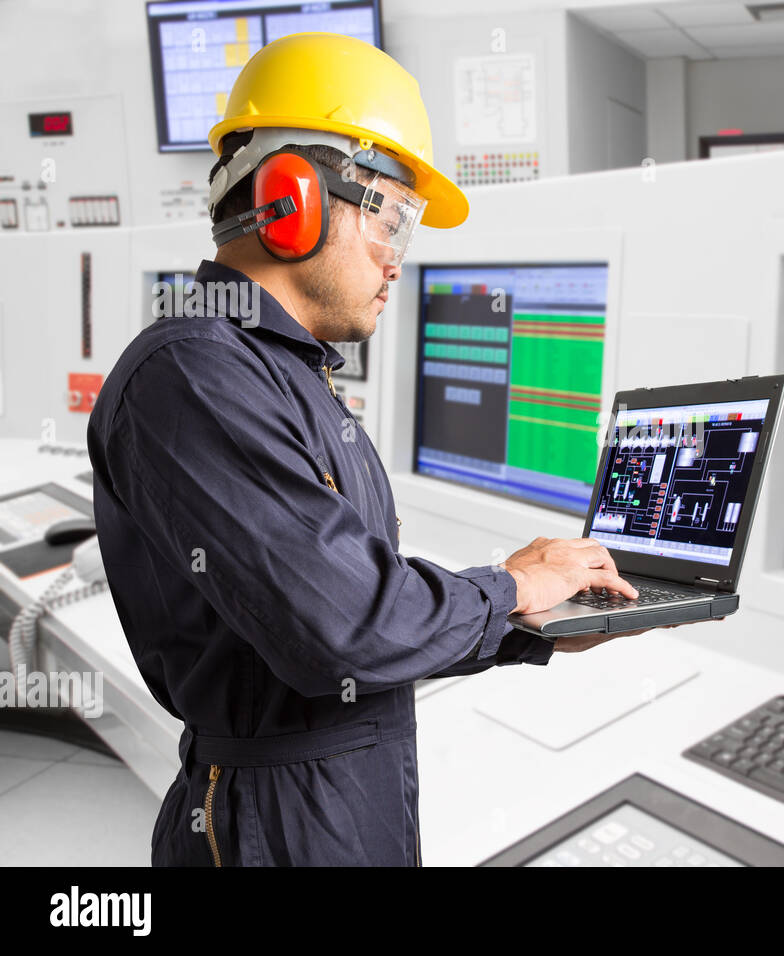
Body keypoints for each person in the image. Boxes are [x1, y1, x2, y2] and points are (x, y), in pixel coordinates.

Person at [86, 32, 688, 866]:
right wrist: (512, 587)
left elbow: (356, 597)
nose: (398, 260)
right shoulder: (191, 375)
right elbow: (344, 626)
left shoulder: (284, 374)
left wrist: (531, 624)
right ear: (291, 199)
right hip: (274, 826)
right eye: (393, 218)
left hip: (340, 799)